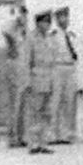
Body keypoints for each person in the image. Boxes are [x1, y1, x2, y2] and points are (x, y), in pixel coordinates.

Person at [24, 9, 58, 155]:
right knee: (34, 112)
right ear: (38, 23)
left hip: (50, 77)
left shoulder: (51, 38)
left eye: (48, 22)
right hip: (36, 76)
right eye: (44, 22)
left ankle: (44, 142)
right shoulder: (31, 38)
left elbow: (54, 59)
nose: (47, 25)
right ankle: (33, 143)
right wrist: (27, 81)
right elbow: (26, 61)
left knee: (47, 113)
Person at [2, 5, 31, 148]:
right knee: (15, 105)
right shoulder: (11, 32)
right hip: (14, 70)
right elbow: (5, 30)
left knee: (24, 106)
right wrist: (15, 20)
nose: (23, 19)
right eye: (21, 16)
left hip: (25, 71)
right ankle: (12, 137)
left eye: (25, 16)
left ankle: (21, 136)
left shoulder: (26, 33)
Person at [49, 7, 79, 144]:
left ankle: (65, 134)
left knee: (68, 102)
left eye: (66, 17)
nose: (65, 20)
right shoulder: (53, 35)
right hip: (57, 68)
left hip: (70, 68)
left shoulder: (72, 35)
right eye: (61, 17)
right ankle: (52, 134)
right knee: (55, 102)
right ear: (57, 19)